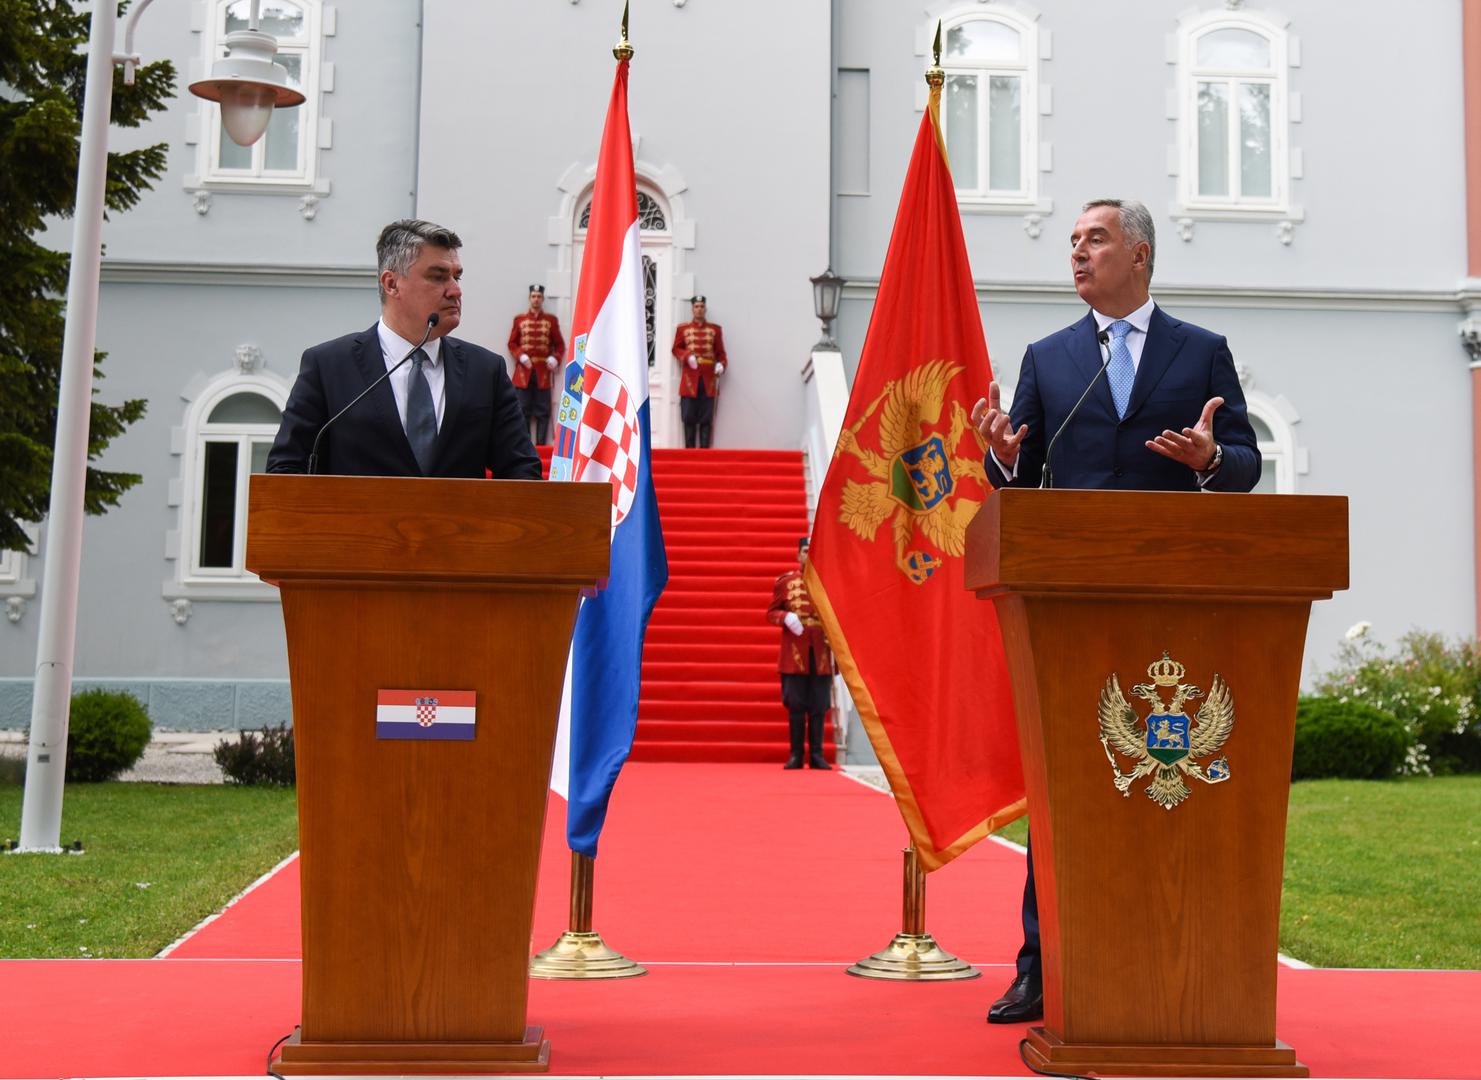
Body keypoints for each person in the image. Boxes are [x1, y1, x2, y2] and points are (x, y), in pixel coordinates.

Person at [970, 198, 1260, 1025]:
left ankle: (1177, 951)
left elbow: (1242, 462)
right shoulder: (1051, 358)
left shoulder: (1201, 354)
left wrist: (1211, 459)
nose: (1077, 253)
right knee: (1065, 790)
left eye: (1093, 239)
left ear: (1138, 253)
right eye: (1070, 242)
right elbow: (1022, 491)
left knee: (1165, 789)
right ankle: (1039, 965)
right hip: (1071, 615)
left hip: (1175, 612)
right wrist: (1000, 457)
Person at [268, 219, 541, 480]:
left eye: (457, 277)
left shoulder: (485, 370)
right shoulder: (328, 367)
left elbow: (521, 471)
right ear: (392, 284)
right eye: (438, 277)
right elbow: (287, 469)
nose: (455, 291)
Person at [766, 537, 834, 770]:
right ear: (799, 555)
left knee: (819, 705)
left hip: (822, 651)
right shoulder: (786, 582)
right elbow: (772, 612)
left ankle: (817, 754)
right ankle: (795, 753)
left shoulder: (829, 582)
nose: (809, 555)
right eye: (806, 551)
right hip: (794, 651)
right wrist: (786, 617)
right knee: (795, 704)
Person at [506, 284, 566, 445]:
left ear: (542, 299)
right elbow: (512, 343)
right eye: (533, 296)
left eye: (539, 296)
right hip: (523, 373)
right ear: (529, 298)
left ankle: (540, 446)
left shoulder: (551, 321)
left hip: (543, 373)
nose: (536, 299)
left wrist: (555, 358)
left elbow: (560, 345)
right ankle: (525, 446)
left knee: (543, 411)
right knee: (522, 409)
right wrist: (521, 356)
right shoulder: (520, 320)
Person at [671, 295, 727, 448]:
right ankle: (689, 454)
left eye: (702, 306)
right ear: (692, 309)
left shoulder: (715, 330)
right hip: (690, 379)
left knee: (706, 419)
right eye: (696, 307)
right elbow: (676, 348)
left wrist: (721, 365)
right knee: (688, 417)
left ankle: (704, 455)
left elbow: (721, 353)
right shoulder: (683, 329)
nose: (699, 309)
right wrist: (687, 356)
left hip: (708, 380)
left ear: (705, 309)